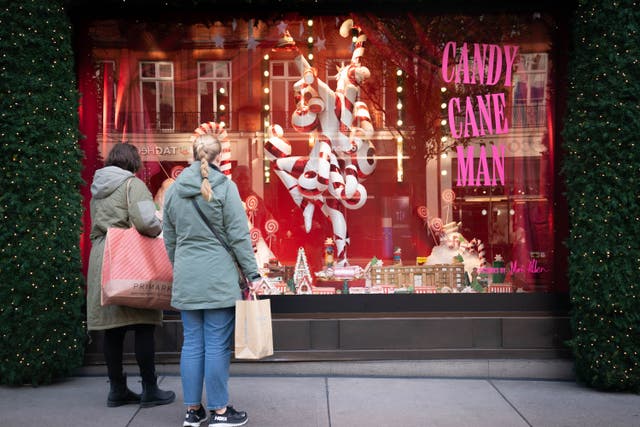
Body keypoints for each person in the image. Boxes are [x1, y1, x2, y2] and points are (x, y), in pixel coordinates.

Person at [163, 131, 261, 427]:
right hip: (219, 277)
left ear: (192, 155)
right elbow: (238, 235)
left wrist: (180, 264)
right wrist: (253, 273)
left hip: (188, 277)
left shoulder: (173, 190)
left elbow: (169, 237)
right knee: (216, 344)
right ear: (219, 157)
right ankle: (220, 412)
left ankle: (193, 412)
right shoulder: (225, 187)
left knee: (192, 343)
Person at [87, 143, 176, 408]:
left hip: (103, 258)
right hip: (129, 259)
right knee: (143, 325)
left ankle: (117, 389)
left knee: (112, 331)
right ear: (134, 162)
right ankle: (149, 389)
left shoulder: (96, 189)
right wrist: (160, 222)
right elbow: (147, 223)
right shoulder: (132, 185)